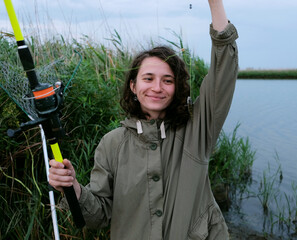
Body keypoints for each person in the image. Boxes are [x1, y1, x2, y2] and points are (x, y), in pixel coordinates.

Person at [49, 0, 238, 239]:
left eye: (167, 80)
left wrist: (215, 3)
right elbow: (98, 216)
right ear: (133, 86)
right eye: (148, 78)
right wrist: (73, 189)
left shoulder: (197, 129)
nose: (157, 87)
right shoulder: (112, 144)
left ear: (177, 87)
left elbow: (224, 71)